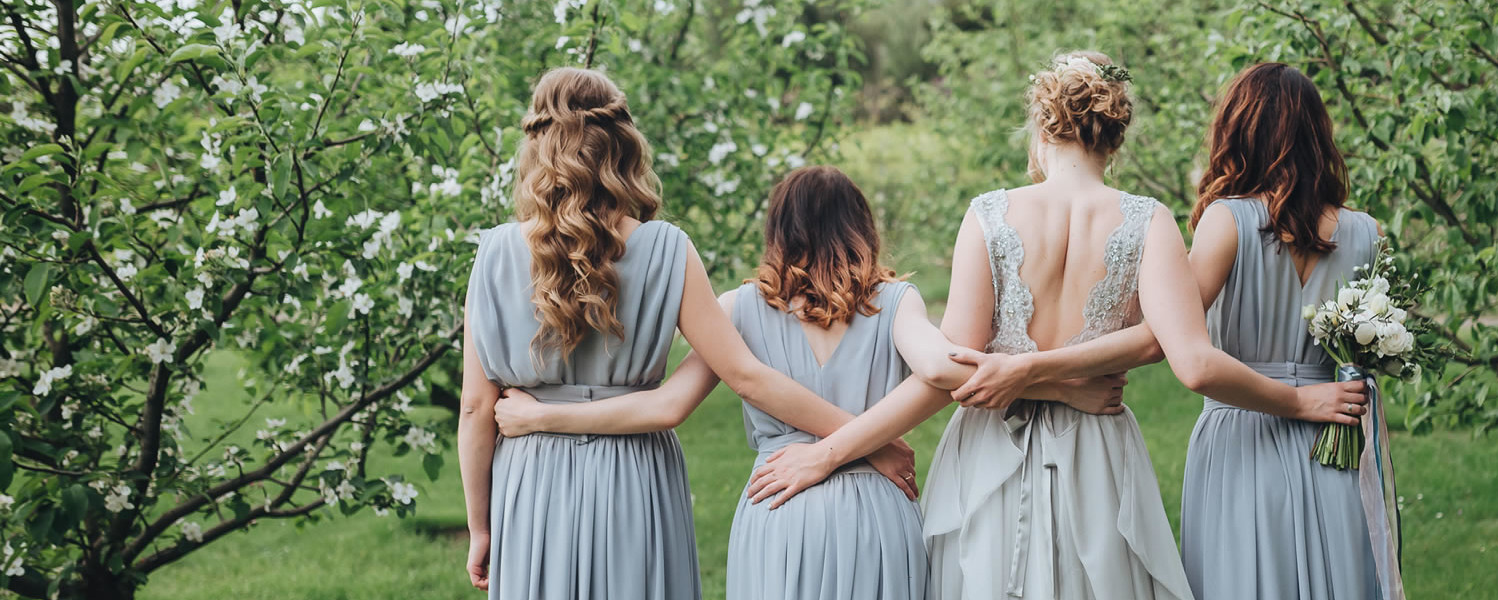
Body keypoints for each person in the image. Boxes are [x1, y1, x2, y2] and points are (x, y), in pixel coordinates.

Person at [747, 52, 1371, 600]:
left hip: (992, 445)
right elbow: (1164, 340)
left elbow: (954, 368)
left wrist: (1020, 372)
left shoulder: (990, 213)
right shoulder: (1148, 220)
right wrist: (1063, 385)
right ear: (1115, 134)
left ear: (1043, 124)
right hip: (1094, 443)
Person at [489, 166, 1131, 600]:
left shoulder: (738, 309)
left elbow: (669, 403)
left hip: (778, 507)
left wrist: (542, 416)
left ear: (778, 230)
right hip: (875, 510)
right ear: (861, 227)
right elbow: (945, 368)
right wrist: (1056, 387)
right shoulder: (896, 301)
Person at [457, 67, 888, 600]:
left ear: (537, 144)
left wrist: (481, 527)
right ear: (624, 146)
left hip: (531, 477)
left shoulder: (494, 253)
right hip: (633, 475)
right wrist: (868, 442)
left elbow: (477, 409)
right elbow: (747, 376)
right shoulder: (668, 248)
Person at [1177, 62, 1405, 600]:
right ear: (1316, 135)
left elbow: (1170, 334)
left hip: (1243, 429)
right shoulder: (1367, 232)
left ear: (1237, 131)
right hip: (1335, 435)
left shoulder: (1224, 221)